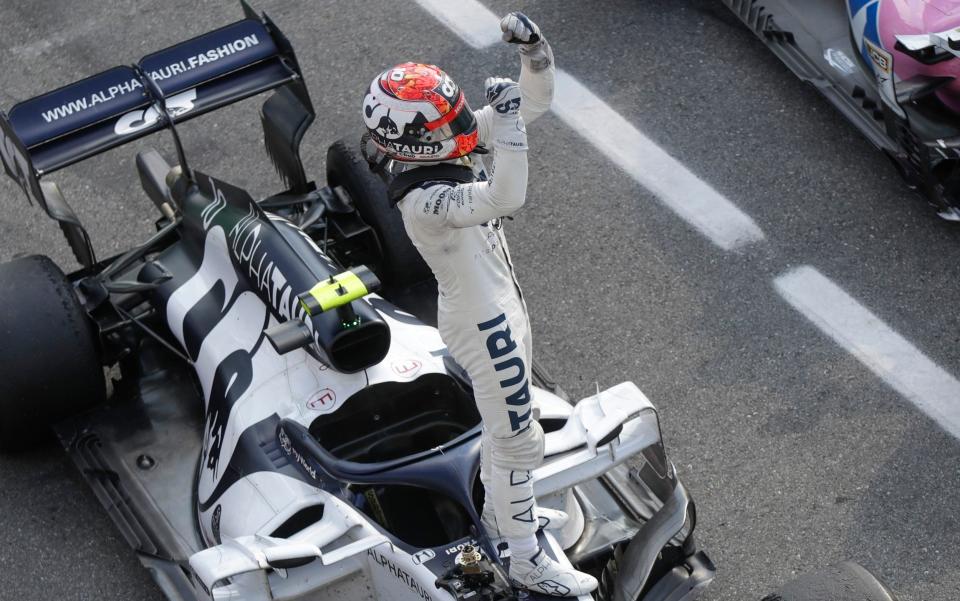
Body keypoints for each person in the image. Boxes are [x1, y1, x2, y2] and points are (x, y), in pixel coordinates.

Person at [360, 12, 598, 597]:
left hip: (500, 309)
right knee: (519, 438)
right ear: (415, 138)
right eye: (446, 118)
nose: (462, 125)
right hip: (484, 322)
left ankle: (506, 522)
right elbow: (506, 192)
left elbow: (532, 106)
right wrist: (510, 126)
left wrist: (535, 56)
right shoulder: (423, 200)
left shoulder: (436, 146)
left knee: (505, 434)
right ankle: (524, 560)